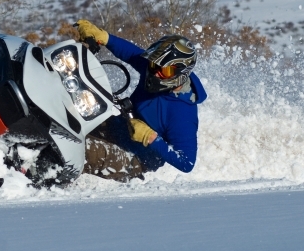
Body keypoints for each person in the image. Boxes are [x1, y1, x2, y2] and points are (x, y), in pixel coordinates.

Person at [75, 19, 207, 182]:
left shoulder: (182, 113)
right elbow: (132, 54)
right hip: (118, 126)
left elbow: (187, 162)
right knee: (72, 119)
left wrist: (150, 137)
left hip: (134, 158)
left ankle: (44, 180)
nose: (155, 73)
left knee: (78, 149)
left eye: (163, 71)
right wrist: (105, 37)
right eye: (153, 65)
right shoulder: (156, 70)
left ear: (180, 73)